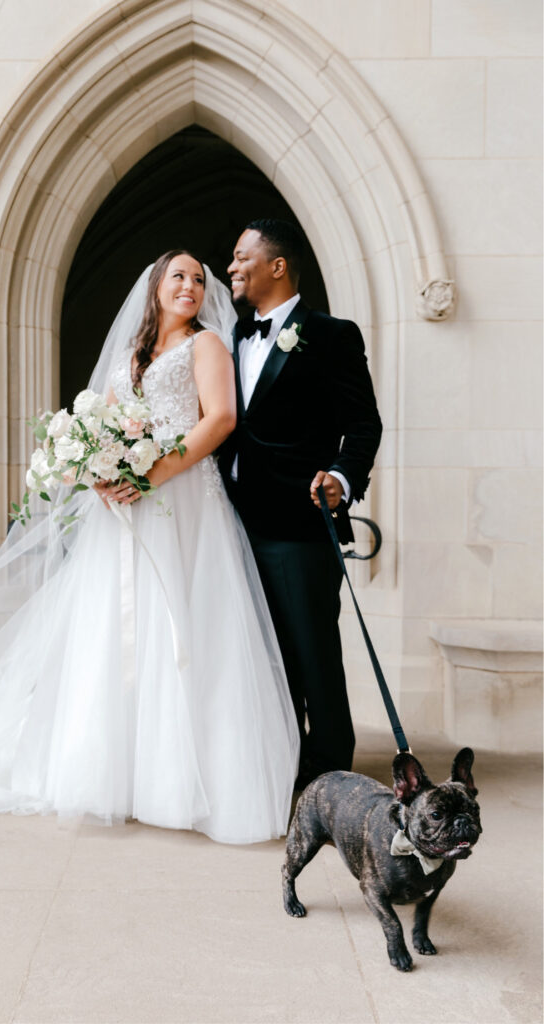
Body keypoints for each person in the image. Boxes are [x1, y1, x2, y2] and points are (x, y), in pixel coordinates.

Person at [0, 251, 299, 843]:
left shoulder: (207, 346)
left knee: (185, 632)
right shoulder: (125, 358)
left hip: (186, 506)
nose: (191, 286)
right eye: (179, 276)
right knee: (112, 633)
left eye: (199, 279)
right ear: (155, 287)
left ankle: (176, 782)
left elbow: (219, 420)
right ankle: (112, 776)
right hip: (122, 510)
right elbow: (105, 428)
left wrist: (152, 474)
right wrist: (95, 469)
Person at [219, 220, 383, 788]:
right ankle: (282, 767)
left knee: (313, 656)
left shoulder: (332, 335)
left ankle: (333, 777)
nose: (232, 267)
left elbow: (363, 423)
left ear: (277, 265)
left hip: (298, 526)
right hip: (232, 525)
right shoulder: (232, 337)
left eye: (242, 257)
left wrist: (341, 475)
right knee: (264, 657)